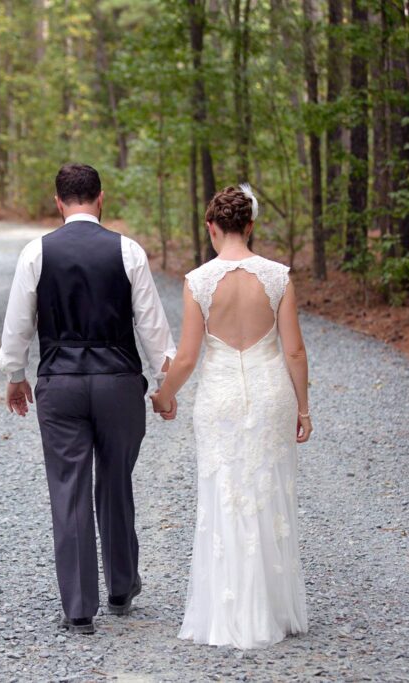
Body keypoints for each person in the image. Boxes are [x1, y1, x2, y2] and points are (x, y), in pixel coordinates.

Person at [0, 163, 176, 635]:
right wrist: (165, 384)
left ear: (58, 202)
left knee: (69, 488)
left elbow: (18, 323)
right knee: (115, 481)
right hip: (118, 383)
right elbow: (152, 325)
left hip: (61, 383)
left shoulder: (37, 252)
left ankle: (78, 608)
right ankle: (121, 587)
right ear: (100, 198)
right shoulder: (128, 251)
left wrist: (15, 375)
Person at [151, 184, 311, 649]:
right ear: (250, 226)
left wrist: (164, 396)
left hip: (219, 398)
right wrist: (303, 407)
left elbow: (186, 358)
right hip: (270, 393)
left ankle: (227, 612)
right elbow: (295, 351)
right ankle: (272, 611)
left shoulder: (198, 281)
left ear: (211, 228)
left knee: (223, 495)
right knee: (269, 493)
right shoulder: (278, 277)